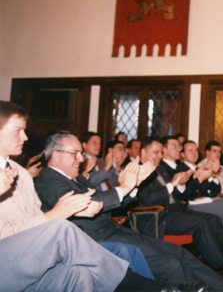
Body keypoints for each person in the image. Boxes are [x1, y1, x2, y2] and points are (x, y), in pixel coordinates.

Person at [35, 131, 223, 291]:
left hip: (118, 231)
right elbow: (85, 204)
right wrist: (127, 186)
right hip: (98, 241)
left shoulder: (72, 178)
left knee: (180, 254)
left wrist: (131, 187)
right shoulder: (49, 180)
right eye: (75, 153)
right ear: (56, 154)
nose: (81, 158)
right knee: (171, 263)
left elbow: (108, 201)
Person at [0, 101, 180, 291]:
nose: (25, 137)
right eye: (17, 131)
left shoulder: (20, 172)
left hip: (31, 250)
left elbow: (36, 217)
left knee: (80, 273)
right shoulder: (45, 178)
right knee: (62, 229)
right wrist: (55, 214)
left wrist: (129, 186)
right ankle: (153, 289)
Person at [137, 137, 223, 276]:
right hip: (158, 217)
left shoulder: (159, 170)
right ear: (143, 153)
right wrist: (174, 184)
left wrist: (181, 184)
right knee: (200, 224)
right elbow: (149, 199)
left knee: (213, 219)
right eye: (156, 152)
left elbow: (177, 194)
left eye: (160, 153)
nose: (159, 156)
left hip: (176, 209)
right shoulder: (138, 171)